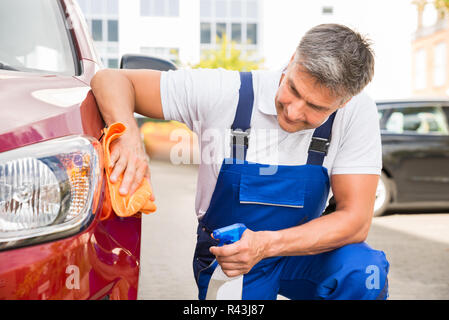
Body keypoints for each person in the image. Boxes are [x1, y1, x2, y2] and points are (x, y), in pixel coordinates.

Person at [90, 23, 389, 300]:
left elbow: (355, 220)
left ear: (343, 102)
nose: (295, 112)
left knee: (365, 272)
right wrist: (127, 134)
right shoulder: (227, 91)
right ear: (292, 60)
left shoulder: (356, 112)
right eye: (294, 90)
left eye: (315, 107)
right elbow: (110, 79)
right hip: (231, 259)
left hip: (304, 249)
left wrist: (266, 244)